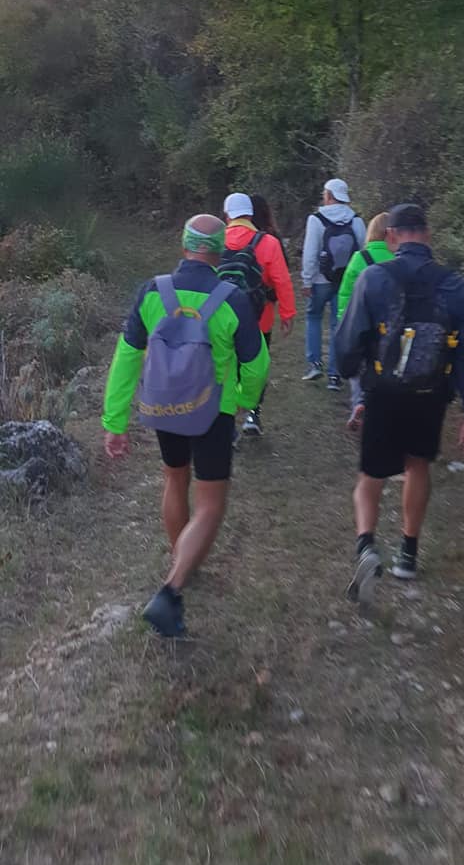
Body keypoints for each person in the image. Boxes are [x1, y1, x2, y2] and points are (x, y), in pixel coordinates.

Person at [102, 213, 269, 638]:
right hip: (213, 413)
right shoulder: (232, 298)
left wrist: (115, 421)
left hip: (164, 409)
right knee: (211, 505)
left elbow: (126, 359)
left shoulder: (151, 292)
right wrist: (245, 405)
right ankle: (172, 589)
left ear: (183, 245)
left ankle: (182, 560)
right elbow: (256, 364)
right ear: (218, 253)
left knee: (174, 480)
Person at [335, 202, 464, 602]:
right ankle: (408, 553)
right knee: (417, 465)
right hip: (430, 394)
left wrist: (350, 371)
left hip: (383, 392)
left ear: (390, 236)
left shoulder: (373, 277)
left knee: (371, 474)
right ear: (427, 234)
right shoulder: (454, 284)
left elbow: (349, 344)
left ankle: (366, 544)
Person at [223, 193, 296, 436]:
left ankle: (228, 421)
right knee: (256, 364)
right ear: (250, 214)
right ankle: (252, 414)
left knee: (227, 366)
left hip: (221, 318)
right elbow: (282, 281)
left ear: (226, 215)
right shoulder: (268, 242)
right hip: (259, 317)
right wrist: (288, 313)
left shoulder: (216, 239)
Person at [301, 178, 366, 390]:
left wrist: (307, 279)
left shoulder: (316, 219)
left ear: (329, 195)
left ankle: (314, 364)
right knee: (339, 324)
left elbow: (310, 253)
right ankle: (334, 376)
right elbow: (363, 252)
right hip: (346, 280)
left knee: (313, 316)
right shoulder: (356, 220)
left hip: (321, 279)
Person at [337, 211, 394, 432]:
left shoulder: (360, 258)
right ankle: (384, 409)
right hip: (390, 326)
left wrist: (344, 319)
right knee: (387, 367)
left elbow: (345, 293)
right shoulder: (398, 259)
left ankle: (359, 404)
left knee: (360, 369)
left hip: (361, 324)